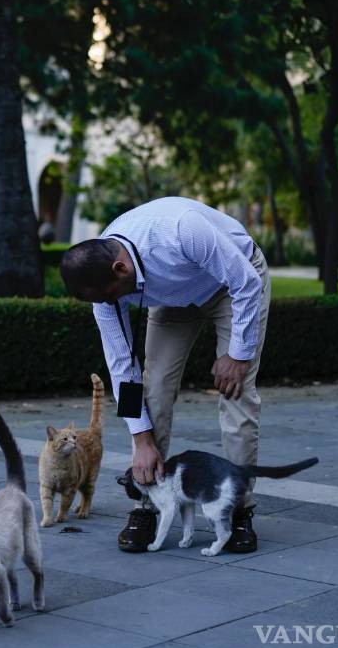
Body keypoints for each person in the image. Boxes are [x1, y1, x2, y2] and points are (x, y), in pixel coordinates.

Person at [59, 196, 271, 553]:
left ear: (120, 270)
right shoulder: (104, 291)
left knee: (237, 393)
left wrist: (237, 355)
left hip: (233, 285)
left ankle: (239, 511)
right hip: (172, 297)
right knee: (153, 388)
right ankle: (146, 503)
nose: (109, 305)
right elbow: (123, 367)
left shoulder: (182, 230)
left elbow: (246, 283)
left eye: (111, 297)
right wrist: (141, 439)